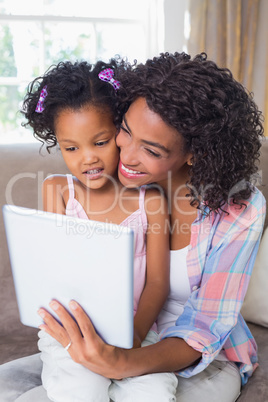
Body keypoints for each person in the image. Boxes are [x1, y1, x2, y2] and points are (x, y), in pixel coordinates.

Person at [0, 52, 265, 402]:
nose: (125, 156)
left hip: (189, 353)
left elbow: (205, 326)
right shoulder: (99, 177)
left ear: (195, 153)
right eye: (124, 130)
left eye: (151, 149)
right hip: (102, 333)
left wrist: (124, 358)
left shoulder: (240, 210)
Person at [15, 59, 177, 402]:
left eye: (100, 142)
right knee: (78, 392)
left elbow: (159, 283)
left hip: (137, 326)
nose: (87, 158)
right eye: (71, 148)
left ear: (121, 131)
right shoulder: (58, 190)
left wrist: (133, 338)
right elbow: (54, 271)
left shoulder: (151, 201)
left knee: (155, 394)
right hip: (71, 329)